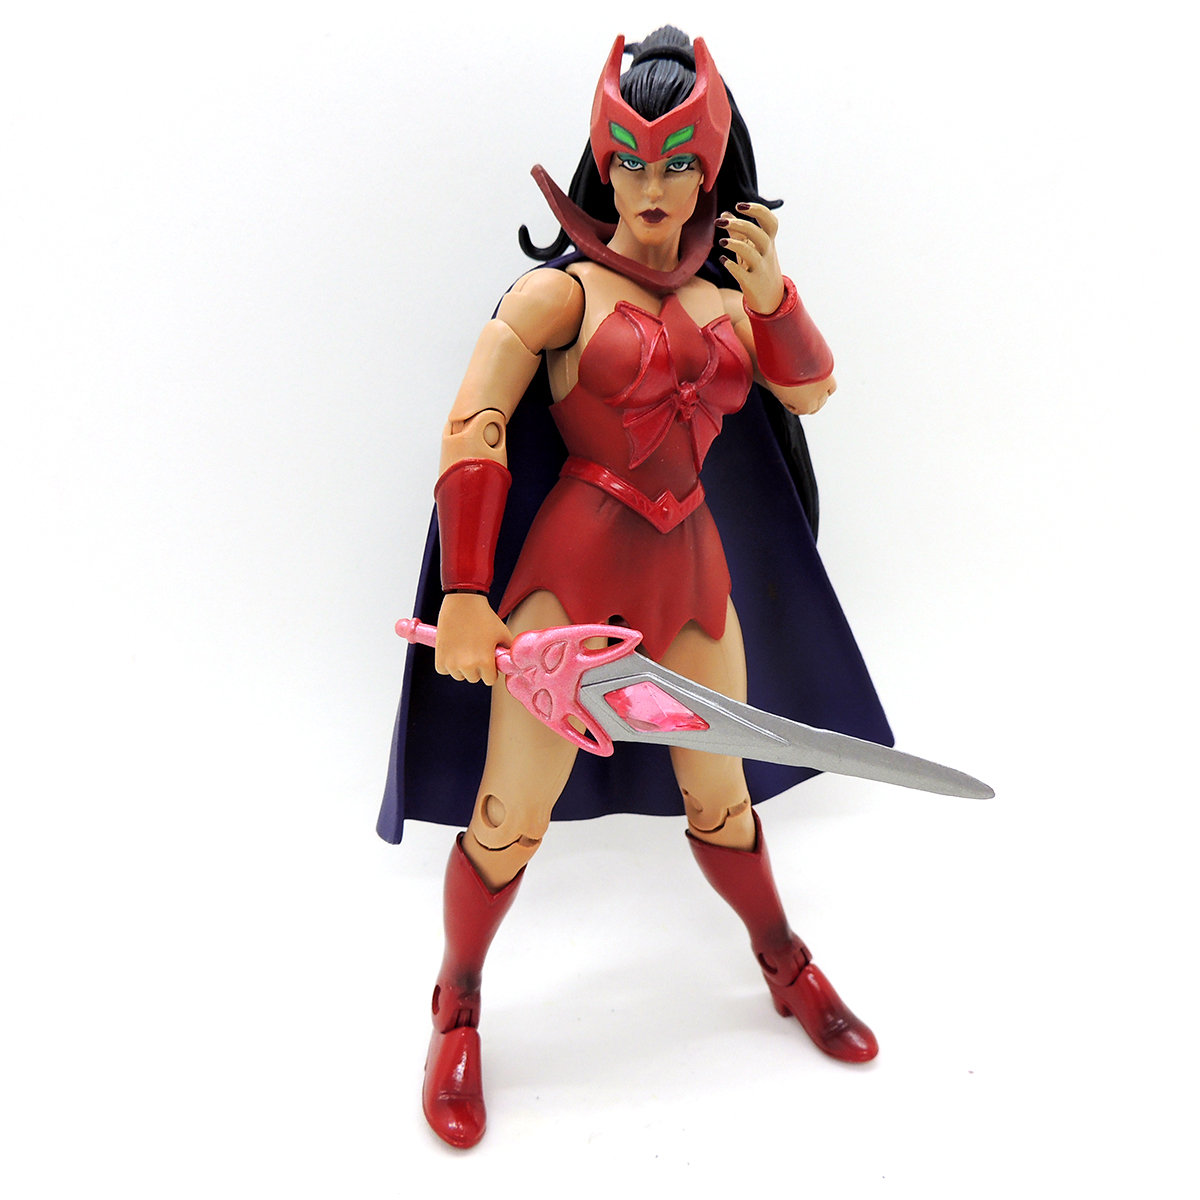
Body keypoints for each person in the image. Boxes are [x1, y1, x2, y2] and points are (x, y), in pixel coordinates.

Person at [379, 27, 895, 1149]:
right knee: (508, 819)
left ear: (709, 169)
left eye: (676, 165)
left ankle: (783, 960)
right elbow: (475, 427)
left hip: (693, 582)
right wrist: (465, 593)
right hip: (567, 588)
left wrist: (775, 293)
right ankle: (457, 1004)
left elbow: (811, 392)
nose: (652, 190)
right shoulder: (556, 298)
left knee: (725, 801)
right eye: (630, 163)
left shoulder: (725, 303)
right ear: (603, 162)